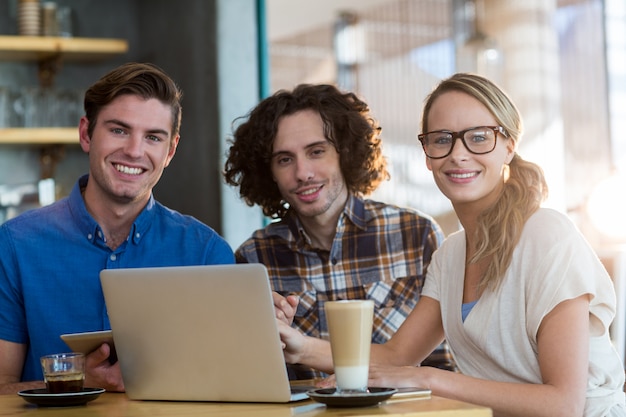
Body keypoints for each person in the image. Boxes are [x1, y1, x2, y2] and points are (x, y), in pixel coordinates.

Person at [278, 73, 626, 416]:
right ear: (427, 154)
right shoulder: (451, 255)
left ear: (509, 146)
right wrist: (300, 348)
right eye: (442, 139)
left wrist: (429, 378)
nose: (458, 155)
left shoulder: (547, 236)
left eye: (478, 137)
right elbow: (397, 358)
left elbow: (562, 405)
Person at [0, 62, 234, 394]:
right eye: (119, 130)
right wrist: (78, 383)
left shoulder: (207, 253)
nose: (135, 151)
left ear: (170, 151)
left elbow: (227, 386)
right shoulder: (14, 246)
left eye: (153, 137)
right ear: (85, 134)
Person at [223, 83, 454, 379]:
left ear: (345, 153)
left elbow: (442, 365)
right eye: (284, 159)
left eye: (316, 151)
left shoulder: (416, 235)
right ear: (269, 173)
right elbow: (249, 378)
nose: (303, 173)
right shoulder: (254, 259)